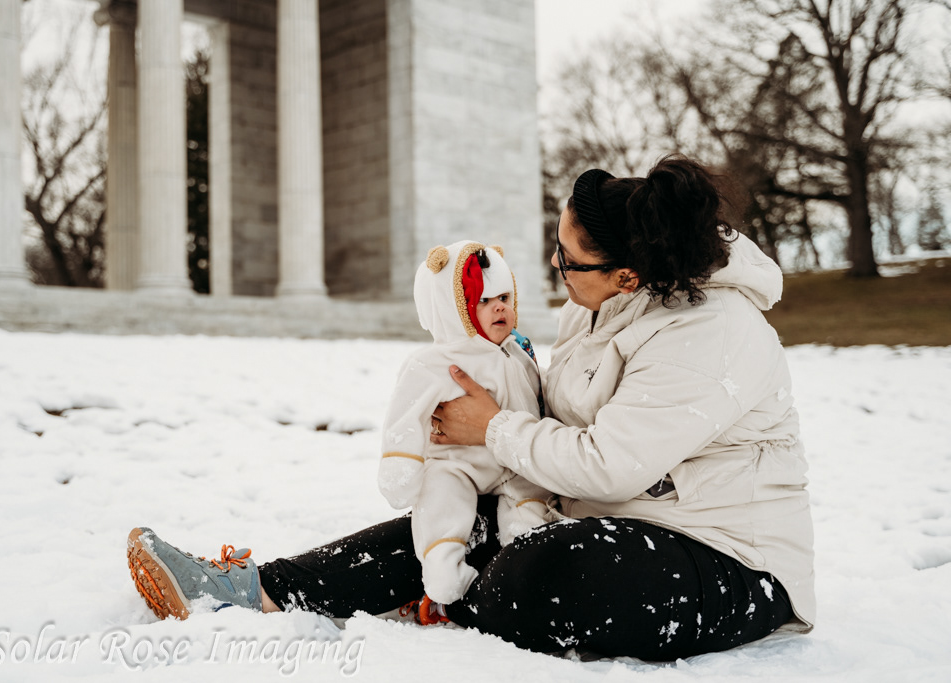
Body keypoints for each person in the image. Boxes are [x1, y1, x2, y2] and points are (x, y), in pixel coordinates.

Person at [127, 154, 814, 661]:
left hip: (729, 561)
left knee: (544, 570)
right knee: (446, 517)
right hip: (603, 514)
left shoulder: (713, 332)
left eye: (568, 259)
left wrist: (492, 424)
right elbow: (563, 419)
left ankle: (453, 597)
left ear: (628, 272)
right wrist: (491, 390)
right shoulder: (604, 306)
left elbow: (609, 464)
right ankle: (255, 588)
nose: (554, 267)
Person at [377, 240, 551, 611]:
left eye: (503, 296)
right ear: (451, 308)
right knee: (441, 500)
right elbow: (405, 415)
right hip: (458, 462)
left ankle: (527, 552)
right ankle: (443, 572)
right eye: (483, 301)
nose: (499, 307)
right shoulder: (433, 362)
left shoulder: (518, 352)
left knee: (532, 500)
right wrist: (400, 462)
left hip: (512, 460)